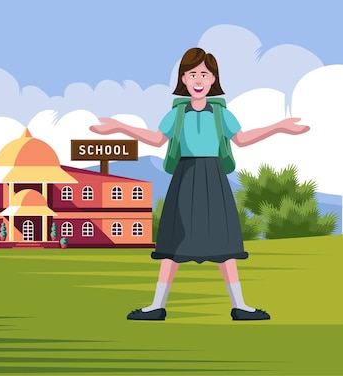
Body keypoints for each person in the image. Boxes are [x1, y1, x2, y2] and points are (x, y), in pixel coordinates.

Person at [90, 47, 309, 321]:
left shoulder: (220, 113)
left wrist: (278, 126)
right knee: (172, 245)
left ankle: (240, 306)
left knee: (224, 244)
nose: (198, 79)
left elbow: (241, 138)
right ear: (183, 79)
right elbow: (157, 139)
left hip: (213, 177)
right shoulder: (177, 114)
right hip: (184, 177)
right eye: (192, 73)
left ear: (213, 79)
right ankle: (156, 306)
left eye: (204, 74)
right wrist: (120, 127)